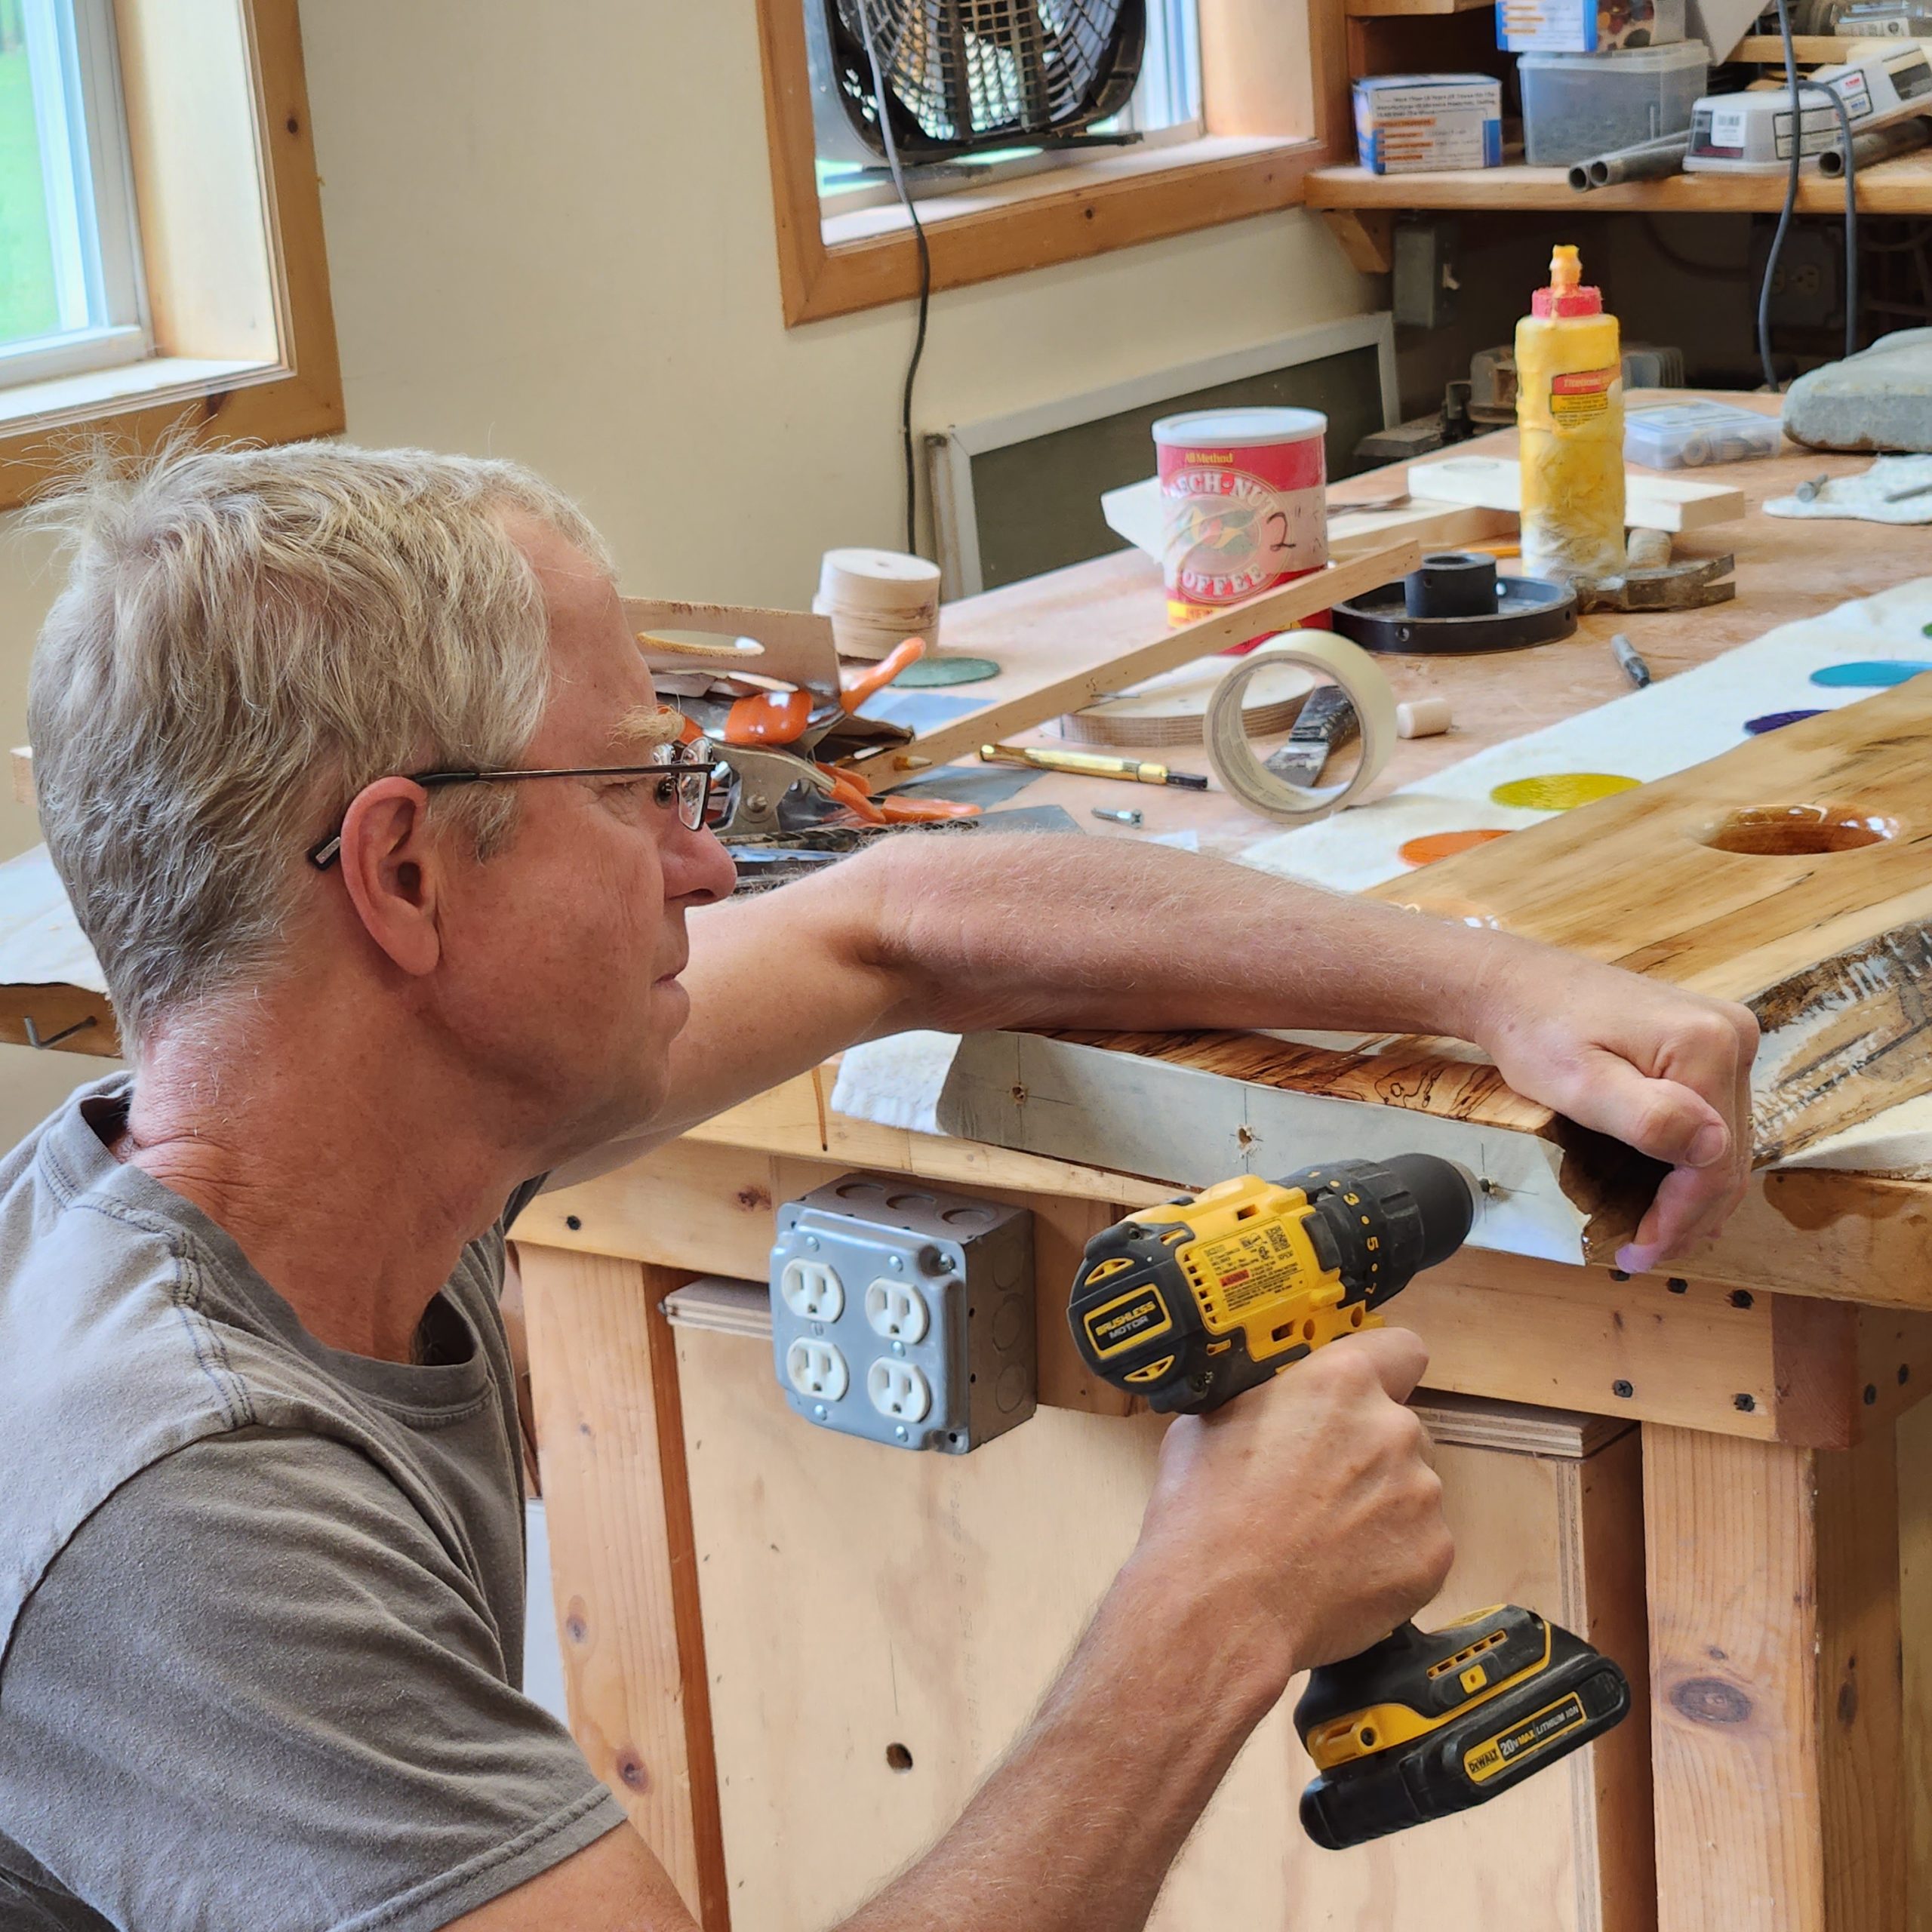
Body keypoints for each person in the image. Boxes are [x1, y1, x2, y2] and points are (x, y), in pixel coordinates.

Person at [0, 442, 1756, 1932]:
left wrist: (1497, 987)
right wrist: (1217, 1605)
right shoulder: (183, 1501)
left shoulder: (341, 1146)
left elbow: (890, 918)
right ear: (401, 872)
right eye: (634, 788)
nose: (705, 860)